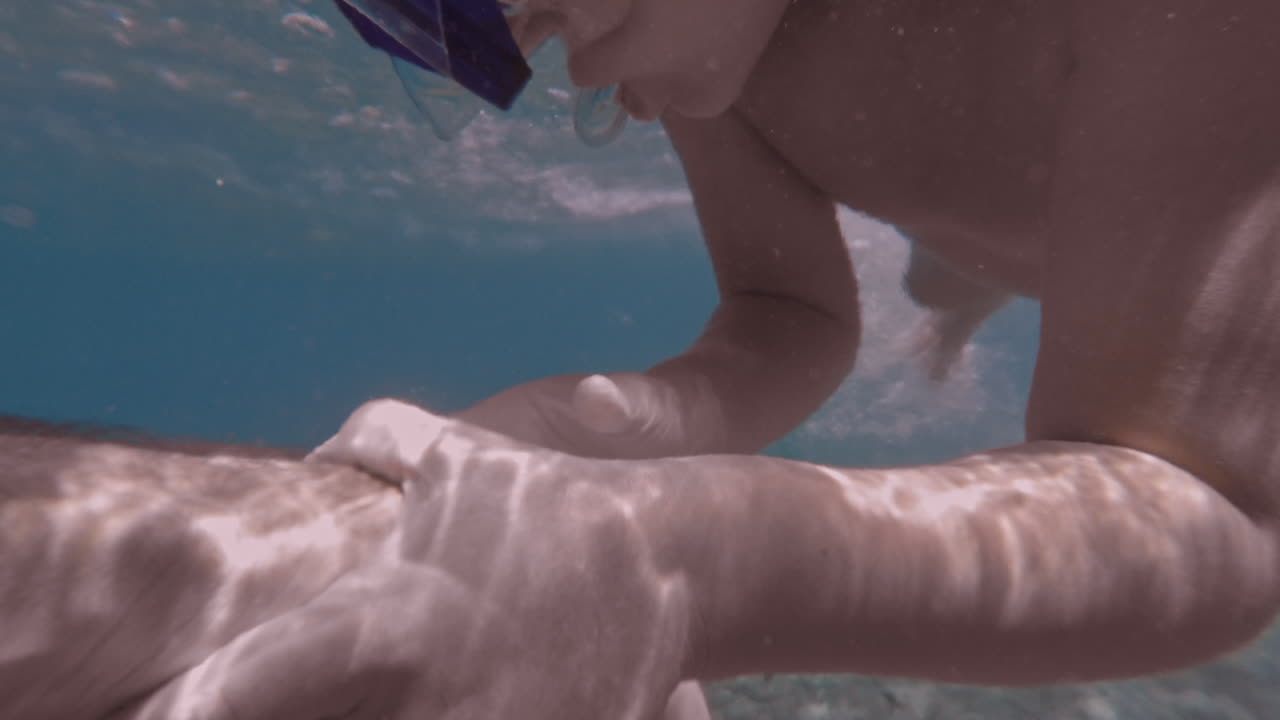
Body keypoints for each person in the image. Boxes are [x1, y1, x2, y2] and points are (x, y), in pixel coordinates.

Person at [126, 0, 1280, 717]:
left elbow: (1205, 501)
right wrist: (550, 442)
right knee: (948, 269)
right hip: (1027, 200)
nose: (562, 71)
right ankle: (961, 291)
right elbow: (786, 315)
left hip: (1202, 192)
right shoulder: (716, 43)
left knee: (995, 272)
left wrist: (674, 560)